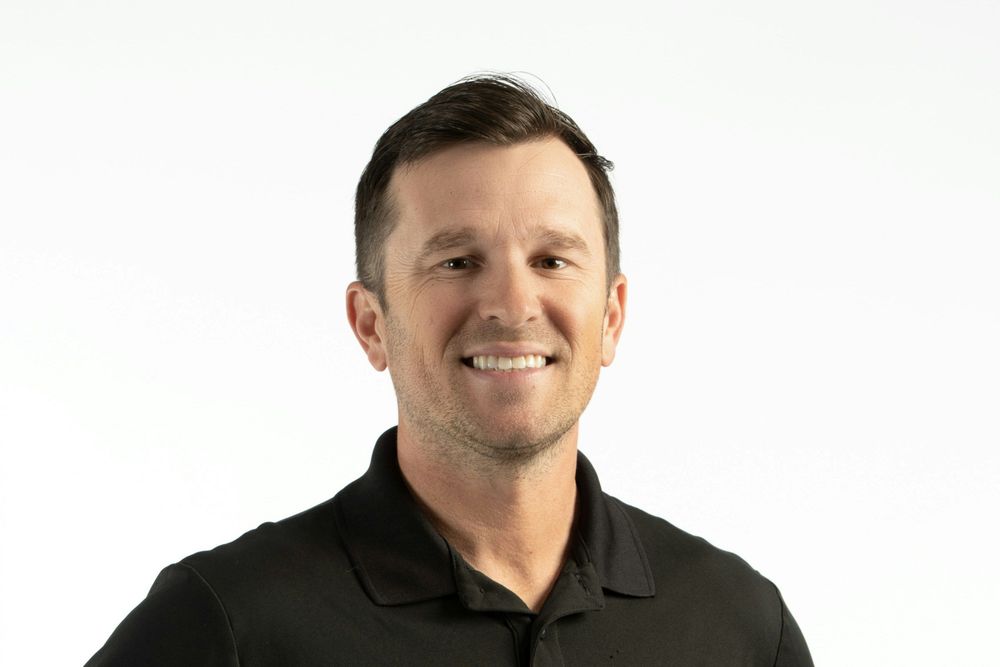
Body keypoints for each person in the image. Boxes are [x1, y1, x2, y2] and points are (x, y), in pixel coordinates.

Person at [87, 74, 814, 666]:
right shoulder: (228, 624)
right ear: (371, 324)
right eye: (458, 261)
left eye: (552, 260)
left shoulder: (740, 627)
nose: (512, 304)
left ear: (611, 318)